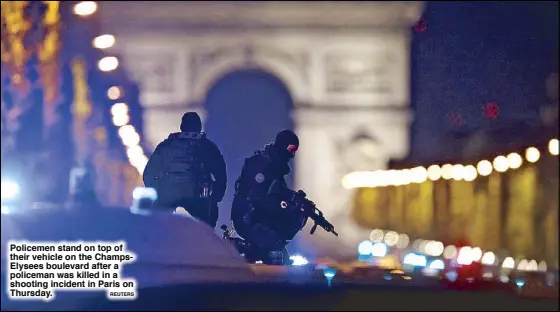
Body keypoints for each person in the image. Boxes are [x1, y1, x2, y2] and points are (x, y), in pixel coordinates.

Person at [230, 129, 308, 265]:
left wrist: (295, 201)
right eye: (291, 148)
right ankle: (246, 249)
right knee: (271, 247)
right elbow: (256, 197)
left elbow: (276, 191)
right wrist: (284, 204)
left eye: (295, 149)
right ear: (282, 145)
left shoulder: (275, 166)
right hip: (248, 217)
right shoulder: (262, 164)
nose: (292, 153)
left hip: (258, 216)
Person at [143, 112, 226, 229]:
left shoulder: (166, 145)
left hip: (168, 193)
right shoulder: (207, 146)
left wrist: (158, 190)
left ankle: (156, 243)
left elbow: (149, 173)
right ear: (199, 127)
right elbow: (220, 173)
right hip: (197, 194)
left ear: (181, 127)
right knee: (206, 229)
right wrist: (216, 196)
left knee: (157, 227)